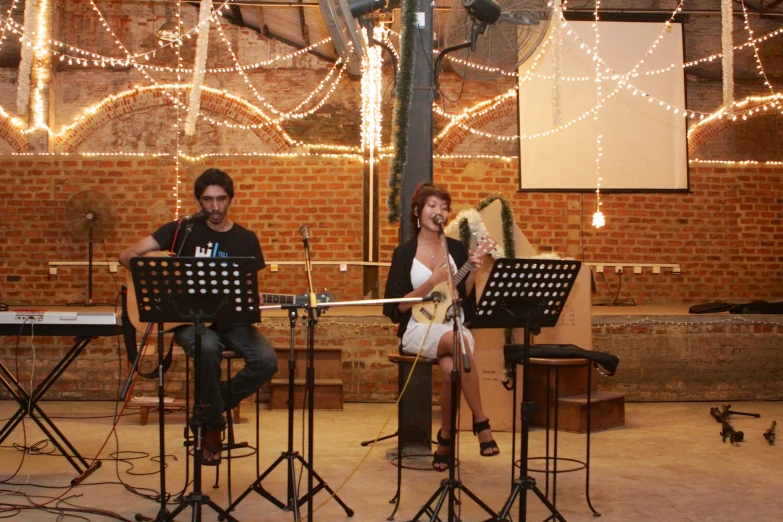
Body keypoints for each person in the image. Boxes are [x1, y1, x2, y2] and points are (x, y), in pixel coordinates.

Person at [119, 168, 278, 466]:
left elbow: (249, 290)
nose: (214, 207)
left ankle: (206, 411)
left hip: (232, 321)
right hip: (188, 318)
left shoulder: (246, 239)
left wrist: (251, 299)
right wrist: (164, 268)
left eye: (221, 199)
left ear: (231, 199)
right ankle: (215, 426)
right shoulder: (181, 230)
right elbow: (126, 256)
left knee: (266, 361)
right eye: (207, 200)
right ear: (197, 200)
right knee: (206, 347)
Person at [383, 182, 499, 471]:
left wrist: (472, 270)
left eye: (444, 207)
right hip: (419, 328)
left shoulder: (455, 248)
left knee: (452, 370)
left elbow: (463, 294)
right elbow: (397, 306)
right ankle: (482, 423)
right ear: (418, 211)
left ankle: (445, 439)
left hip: (451, 323)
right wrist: (431, 282)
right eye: (432, 205)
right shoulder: (404, 253)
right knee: (458, 344)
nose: (439, 211)